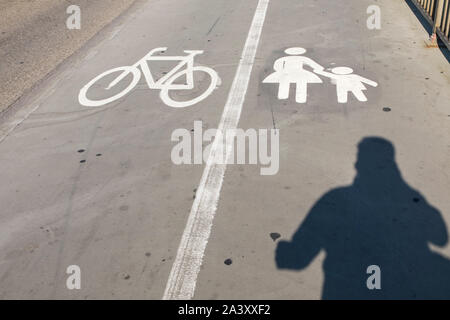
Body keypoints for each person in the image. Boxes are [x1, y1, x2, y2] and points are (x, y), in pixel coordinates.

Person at [276, 137, 450, 299]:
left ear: (359, 165)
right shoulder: (411, 201)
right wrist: (405, 191)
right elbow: (440, 237)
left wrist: (281, 248)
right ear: (391, 166)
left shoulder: (335, 200)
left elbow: (295, 259)